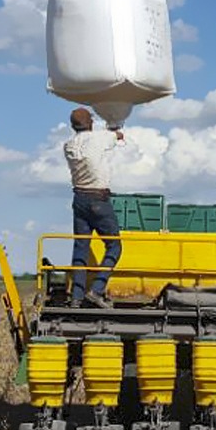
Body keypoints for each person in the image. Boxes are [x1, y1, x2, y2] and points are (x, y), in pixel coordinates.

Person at [63, 106, 124, 308]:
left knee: (81, 248)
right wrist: (116, 128)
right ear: (90, 123)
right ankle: (96, 290)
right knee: (114, 245)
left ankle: (76, 297)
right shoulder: (98, 139)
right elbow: (117, 136)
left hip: (79, 199)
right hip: (98, 200)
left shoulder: (69, 145)